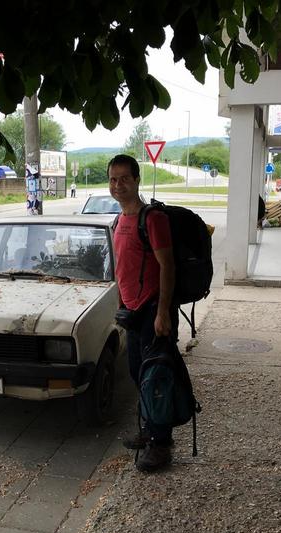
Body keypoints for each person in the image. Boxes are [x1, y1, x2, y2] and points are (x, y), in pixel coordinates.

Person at [108, 154, 178, 472]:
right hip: (134, 313)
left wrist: (163, 312)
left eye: (124, 178)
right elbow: (124, 269)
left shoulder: (152, 219)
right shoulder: (120, 219)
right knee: (139, 375)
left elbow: (168, 266)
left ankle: (161, 446)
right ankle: (150, 430)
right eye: (113, 179)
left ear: (136, 180)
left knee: (157, 379)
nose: (118, 185)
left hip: (154, 312)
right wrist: (122, 306)